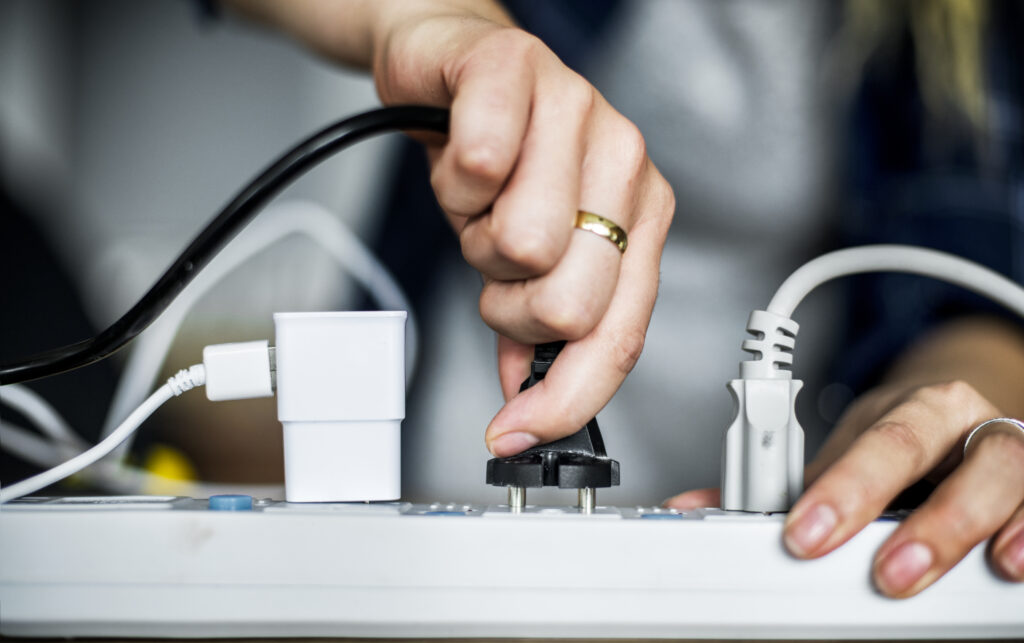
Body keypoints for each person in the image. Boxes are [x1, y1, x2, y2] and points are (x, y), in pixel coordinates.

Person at [71, 0, 1019, 600]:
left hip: (760, 562)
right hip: (429, 530)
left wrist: (954, 409)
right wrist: (428, 18)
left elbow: (973, 275)